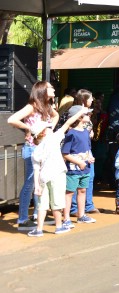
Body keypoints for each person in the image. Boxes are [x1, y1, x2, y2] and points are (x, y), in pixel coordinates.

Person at [28, 107, 91, 237]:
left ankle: (39, 229)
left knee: (42, 205)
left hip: (42, 179)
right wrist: (81, 112)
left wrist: (37, 186)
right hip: (58, 175)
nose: (51, 128)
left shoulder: (35, 151)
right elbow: (68, 123)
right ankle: (59, 226)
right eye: (49, 128)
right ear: (43, 133)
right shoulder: (54, 139)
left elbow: (36, 169)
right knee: (57, 203)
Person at [7, 80, 59, 231]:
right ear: (42, 90)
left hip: (43, 149)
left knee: (40, 182)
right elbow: (12, 119)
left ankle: (37, 214)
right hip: (32, 148)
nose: (54, 89)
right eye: (50, 87)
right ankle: (23, 218)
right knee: (30, 183)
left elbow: (56, 116)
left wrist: (50, 128)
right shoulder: (32, 106)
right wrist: (29, 128)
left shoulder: (47, 107)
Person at [61, 104, 96, 228]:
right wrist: (79, 162)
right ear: (79, 117)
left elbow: (87, 149)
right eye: (86, 114)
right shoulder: (71, 133)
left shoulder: (86, 132)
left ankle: (81, 216)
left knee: (82, 190)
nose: (89, 115)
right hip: (73, 169)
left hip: (85, 167)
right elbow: (65, 153)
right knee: (69, 192)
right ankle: (66, 218)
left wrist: (89, 158)